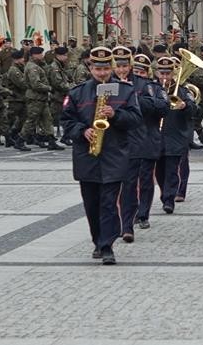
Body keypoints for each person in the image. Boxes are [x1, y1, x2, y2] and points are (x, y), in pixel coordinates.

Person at [61, 46, 142, 265]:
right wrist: (81, 131)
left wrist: (115, 114)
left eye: (106, 68)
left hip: (115, 154)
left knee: (108, 202)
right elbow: (66, 121)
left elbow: (135, 119)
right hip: (86, 156)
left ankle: (107, 245)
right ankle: (97, 240)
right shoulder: (78, 92)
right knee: (91, 203)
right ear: (91, 68)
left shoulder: (125, 91)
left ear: (112, 67)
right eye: (98, 69)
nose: (102, 73)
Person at [121, 52, 168, 233]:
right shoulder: (119, 85)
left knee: (146, 180)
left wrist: (136, 100)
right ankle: (129, 215)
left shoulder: (152, 87)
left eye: (142, 71)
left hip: (148, 138)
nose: (138, 74)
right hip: (127, 142)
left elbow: (163, 107)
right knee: (129, 182)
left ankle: (143, 214)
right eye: (137, 70)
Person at [157, 56, 197, 214]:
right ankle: (164, 193)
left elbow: (194, 109)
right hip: (157, 136)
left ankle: (169, 199)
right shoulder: (152, 89)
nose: (165, 77)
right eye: (162, 73)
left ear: (173, 73)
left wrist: (185, 105)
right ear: (157, 73)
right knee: (159, 171)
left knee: (172, 170)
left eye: (168, 73)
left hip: (176, 135)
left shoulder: (183, 90)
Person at [21, 46, 62, 150]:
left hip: (41, 98)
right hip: (35, 98)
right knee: (31, 120)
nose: (42, 56)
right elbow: (36, 84)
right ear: (34, 55)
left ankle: (51, 141)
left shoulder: (37, 65)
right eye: (40, 54)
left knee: (48, 119)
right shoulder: (32, 67)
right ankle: (20, 140)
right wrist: (49, 88)